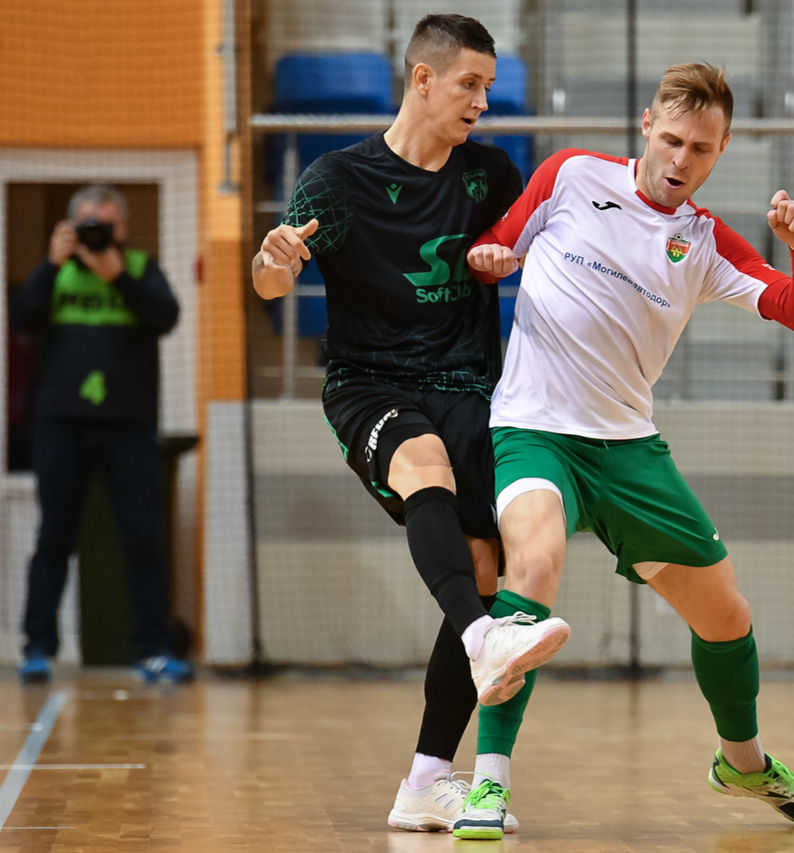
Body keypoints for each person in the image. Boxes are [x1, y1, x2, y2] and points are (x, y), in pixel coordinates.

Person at [460, 63, 794, 836]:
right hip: (534, 427)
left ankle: (743, 762)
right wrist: (493, 259)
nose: (680, 160)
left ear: (721, 149)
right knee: (531, 571)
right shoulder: (568, 176)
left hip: (630, 450)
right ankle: (487, 785)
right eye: (671, 139)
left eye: (701, 149)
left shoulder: (704, 240)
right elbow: (492, 247)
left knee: (726, 617)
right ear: (645, 126)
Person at [251, 14, 570, 836]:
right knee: (422, 465)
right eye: (469, 83)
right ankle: (480, 638)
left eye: (489, 87)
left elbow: (546, 240)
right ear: (421, 79)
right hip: (371, 384)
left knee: (486, 565)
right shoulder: (338, 178)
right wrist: (274, 261)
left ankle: (426, 780)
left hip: (473, 386)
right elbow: (268, 279)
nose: (481, 101)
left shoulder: (490, 174)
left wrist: (514, 255)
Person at [13, 184, 189, 685]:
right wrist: (50, 263)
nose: (97, 235)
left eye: (106, 227)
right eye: (88, 225)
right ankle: (37, 649)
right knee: (53, 537)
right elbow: (23, 317)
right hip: (60, 423)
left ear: (124, 230)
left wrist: (120, 279)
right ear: (69, 228)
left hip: (128, 424)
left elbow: (166, 316)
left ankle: (153, 651)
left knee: (142, 539)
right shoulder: (58, 271)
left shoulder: (139, 268)